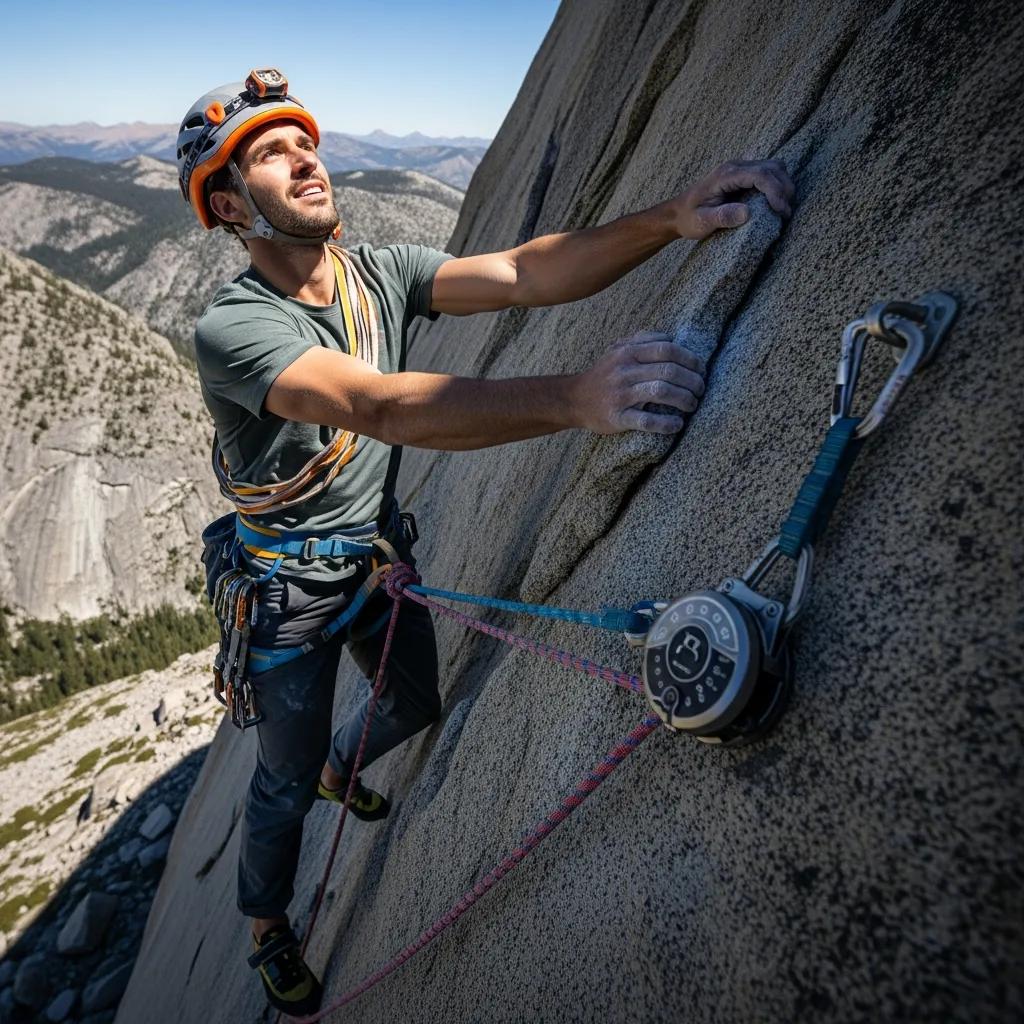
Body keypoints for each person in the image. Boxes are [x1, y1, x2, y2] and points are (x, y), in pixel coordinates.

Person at [178, 68, 794, 1016]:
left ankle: (353, 766)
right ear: (228, 205)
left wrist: (670, 218)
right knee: (282, 783)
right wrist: (573, 397)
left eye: (305, 141)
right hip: (286, 599)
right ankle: (266, 923)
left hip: (374, 561)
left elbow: (520, 271)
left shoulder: (373, 272)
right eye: (270, 153)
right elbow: (376, 405)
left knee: (414, 705)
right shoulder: (233, 327)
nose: (305, 157)